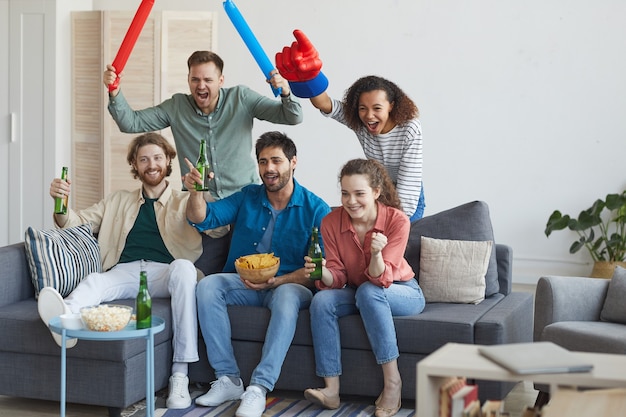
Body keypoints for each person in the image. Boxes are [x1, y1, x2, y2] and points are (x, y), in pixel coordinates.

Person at [37, 133, 203, 409]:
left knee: (185, 269)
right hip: (125, 272)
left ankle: (180, 375)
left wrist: (198, 193)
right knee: (95, 281)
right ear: (135, 166)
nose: (152, 164)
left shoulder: (184, 200)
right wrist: (61, 203)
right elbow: (75, 223)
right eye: (144, 159)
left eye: (158, 158)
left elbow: (215, 225)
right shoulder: (117, 200)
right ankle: (63, 319)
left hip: (167, 273)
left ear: (168, 161)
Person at [104, 50, 304, 275]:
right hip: (203, 209)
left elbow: (293, 116)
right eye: (195, 79)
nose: (201, 86)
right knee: (197, 279)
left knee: (252, 273)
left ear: (221, 81)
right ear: (188, 80)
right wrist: (114, 91)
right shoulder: (177, 106)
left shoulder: (241, 98)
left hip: (245, 203)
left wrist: (285, 91)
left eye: (208, 80)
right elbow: (130, 122)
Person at [185, 131, 331, 417]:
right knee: (207, 286)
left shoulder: (317, 209)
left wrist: (280, 280)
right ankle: (229, 379)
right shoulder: (248, 196)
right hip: (243, 281)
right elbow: (202, 218)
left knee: (288, 297)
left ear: (293, 162)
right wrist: (195, 193)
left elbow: (319, 267)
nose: (269, 169)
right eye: (263, 162)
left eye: (276, 161)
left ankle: (259, 387)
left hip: (289, 284)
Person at [301, 159, 425, 417]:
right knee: (322, 301)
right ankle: (331, 390)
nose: (351, 201)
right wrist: (320, 270)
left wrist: (376, 254)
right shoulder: (331, 222)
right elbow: (338, 275)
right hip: (359, 290)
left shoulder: (397, 221)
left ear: (376, 192)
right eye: (345, 193)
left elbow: (382, 278)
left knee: (370, 291)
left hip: (402, 291)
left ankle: (393, 383)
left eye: (359, 194)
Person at [276, 30, 425, 221]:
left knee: (391, 243)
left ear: (391, 106)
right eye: (363, 108)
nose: (369, 115)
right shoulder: (361, 123)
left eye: (377, 108)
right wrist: (309, 78)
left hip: (407, 199)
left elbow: (408, 197)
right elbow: (325, 104)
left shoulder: (409, 128)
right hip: (377, 192)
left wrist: (388, 223)